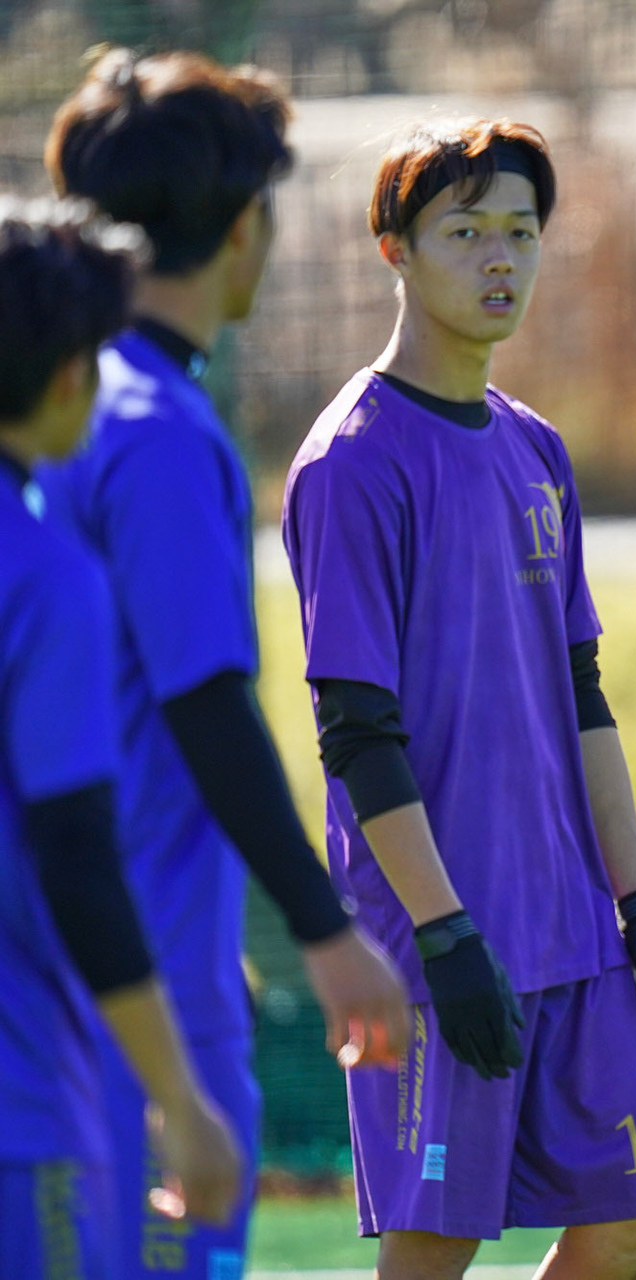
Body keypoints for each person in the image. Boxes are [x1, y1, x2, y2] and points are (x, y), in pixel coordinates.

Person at [281, 118, 636, 1278]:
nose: (501, 257)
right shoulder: (352, 460)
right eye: (465, 233)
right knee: (434, 1251)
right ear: (395, 250)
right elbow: (355, 732)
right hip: (444, 934)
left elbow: (583, 694)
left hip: (574, 924)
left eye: (521, 231)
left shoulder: (537, 448)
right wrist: (445, 931)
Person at [37, 49, 412, 1279]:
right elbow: (202, 699)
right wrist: (325, 928)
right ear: (246, 224)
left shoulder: (62, 403)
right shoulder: (154, 429)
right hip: (130, 970)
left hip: (84, 945)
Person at [0, 196, 244, 1278]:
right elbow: (77, 857)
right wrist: (178, 1095)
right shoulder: (50, 581)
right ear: (68, 377)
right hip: (22, 1106)